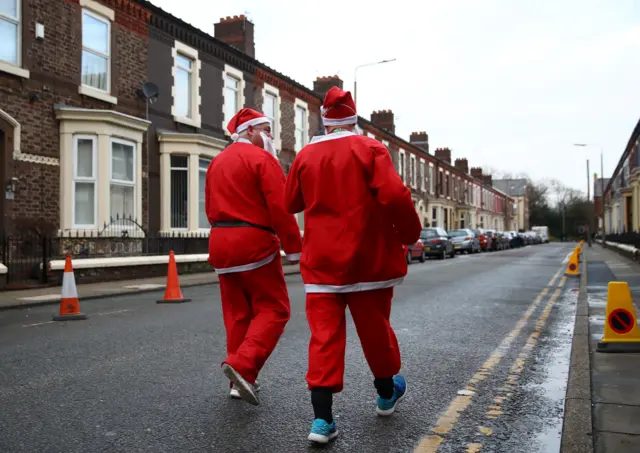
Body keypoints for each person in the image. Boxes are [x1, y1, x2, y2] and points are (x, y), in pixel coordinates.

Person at [284, 86, 422, 443]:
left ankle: (322, 421)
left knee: (324, 338)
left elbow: (291, 203)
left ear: (326, 122)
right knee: (375, 330)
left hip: (322, 264)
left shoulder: (305, 155)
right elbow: (394, 194)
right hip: (368, 261)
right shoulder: (371, 148)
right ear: (354, 118)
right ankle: (386, 393)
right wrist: (409, 234)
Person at [205, 108, 302, 406]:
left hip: (221, 244)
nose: (270, 136)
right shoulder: (263, 160)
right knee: (275, 309)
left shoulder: (216, 162)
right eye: (266, 129)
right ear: (249, 131)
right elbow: (280, 208)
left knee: (237, 314)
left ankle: (240, 382)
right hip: (254, 242)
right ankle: (244, 367)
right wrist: (295, 248)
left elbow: (210, 207)